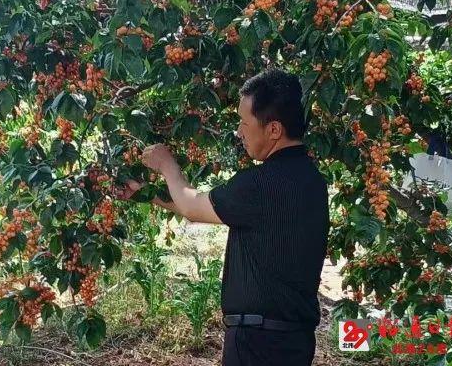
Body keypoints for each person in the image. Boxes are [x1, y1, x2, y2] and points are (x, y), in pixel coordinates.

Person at [118, 68, 329, 366]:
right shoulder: (311, 180)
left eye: (244, 123)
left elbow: (192, 207)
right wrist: (147, 193)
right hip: (295, 342)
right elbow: (199, 205)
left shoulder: (259, 185)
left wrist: (167, 165)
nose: (239, 132)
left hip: (257, 345)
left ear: (274, 130)